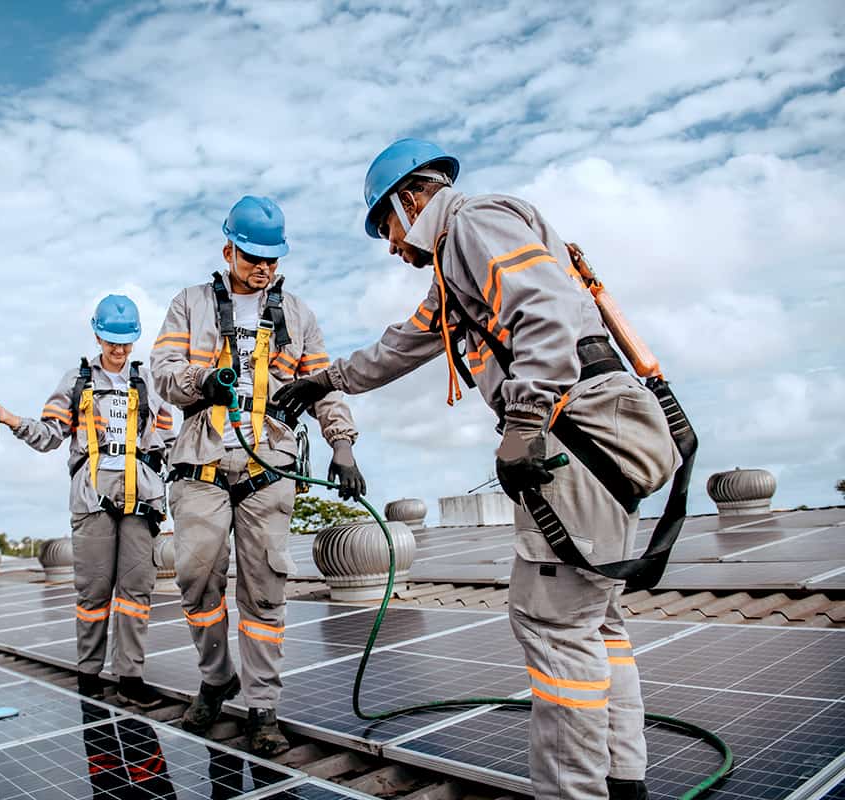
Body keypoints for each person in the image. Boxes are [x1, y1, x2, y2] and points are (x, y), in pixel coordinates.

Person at [273, 139, 679, 800]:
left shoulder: (472, 224)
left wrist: (525, 420)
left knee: (555, 626)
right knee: (595, 620)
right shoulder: (455, 267)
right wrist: (326, 380)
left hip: (574, 432)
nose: (390, 247)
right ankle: (622, 779)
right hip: (593, 433)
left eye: (386, 227)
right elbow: (401, 345)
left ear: (412, 198)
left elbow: (543, 307)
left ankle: (576, 792)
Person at [150, 195, 365, 757]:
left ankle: (263, 705)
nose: (263, 268)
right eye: (251, 257)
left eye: (271, 258)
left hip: (269, 467)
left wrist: (342, 444)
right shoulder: (189, 304)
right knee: (197, 578)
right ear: (228, 251)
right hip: (199, 464)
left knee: (266, 589)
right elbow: (163, 373)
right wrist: (204, 382)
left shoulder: (297, 314)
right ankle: (217, 678)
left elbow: (323, 383)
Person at [0, 294, 176, 709]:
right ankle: (89, 673)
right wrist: (13, 419)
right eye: (111, 342)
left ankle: (131, 677)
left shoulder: (150, 384)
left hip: (141, 495)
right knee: (94, 591)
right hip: (92, 496)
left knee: (136, 591)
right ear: (96, 335)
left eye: (125, 343)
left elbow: (169, 443)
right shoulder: (77, 380)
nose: (119, 350)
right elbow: (51, 434)